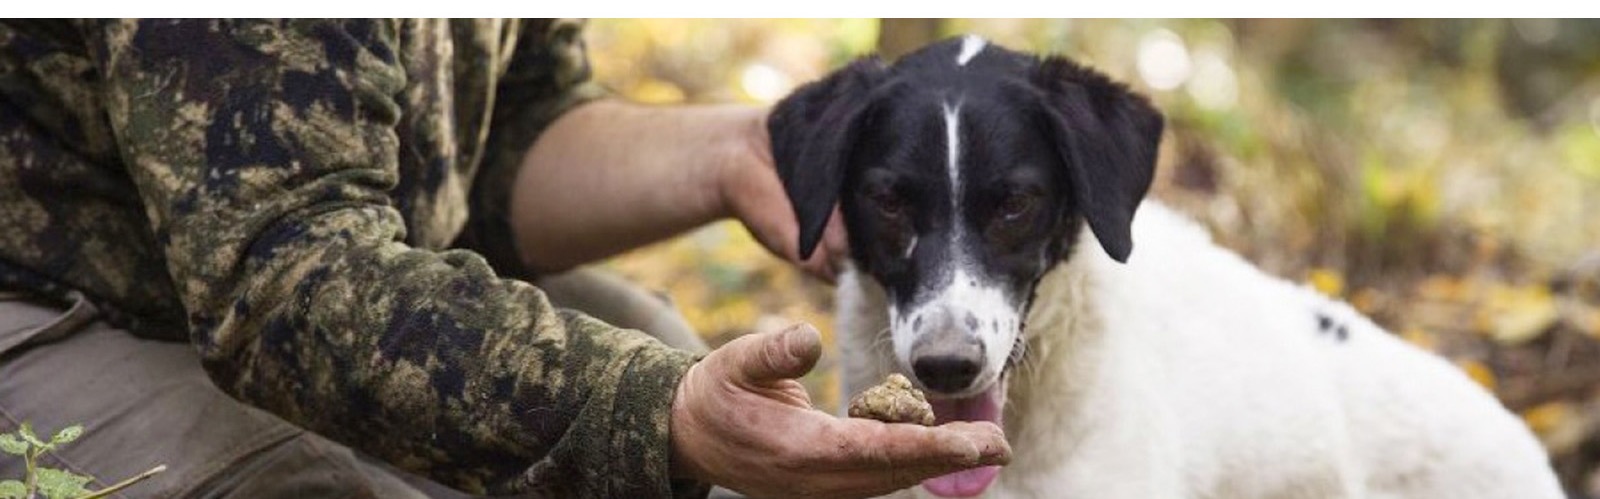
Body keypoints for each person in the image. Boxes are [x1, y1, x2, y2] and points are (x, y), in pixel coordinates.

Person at [0, 19, 1009, 498]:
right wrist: (652, 412)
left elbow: (492, 145)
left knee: (657, 349)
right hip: (50, 296)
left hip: (265, 274)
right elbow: (284, 277)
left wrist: (728, 151)